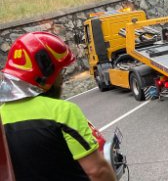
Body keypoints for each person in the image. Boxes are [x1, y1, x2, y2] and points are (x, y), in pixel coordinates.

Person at [0, 32, 116, 181]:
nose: (62, 79)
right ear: (46, 75)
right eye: (60, 72)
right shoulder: (62, 111)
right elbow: (97, 170)